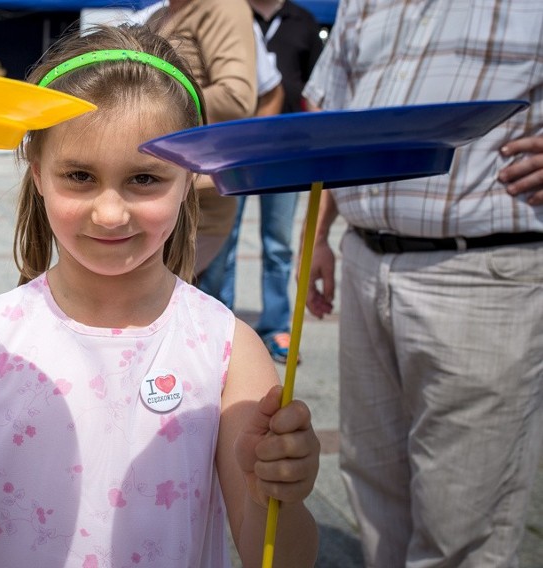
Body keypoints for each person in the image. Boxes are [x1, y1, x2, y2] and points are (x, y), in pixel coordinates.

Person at [0, 23, 320, 567]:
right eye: (79, 175)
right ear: (38, 173)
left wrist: (279, 496)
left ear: (187, 178)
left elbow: (275, 554)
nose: (109, 213)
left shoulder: (230, 353)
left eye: (145, 179)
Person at [302, 0, 543, 566]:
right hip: (365, 257)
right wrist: (318, 236)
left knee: (463, 515)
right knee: (371, 477)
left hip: (481, 273)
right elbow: (334, 117)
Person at [199, 0, 323, 365]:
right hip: (233, 153)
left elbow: (313, 91)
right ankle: (219, 325)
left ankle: (275, 328)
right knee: (224, 242)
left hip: (286, 154)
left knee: (278, 245)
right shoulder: (229, 14)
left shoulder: (303, 20)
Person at [145, 0, 259, 277]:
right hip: (157, 186)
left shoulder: (222, 7)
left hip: (199, 197)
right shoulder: (160, 16)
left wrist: (151, 107)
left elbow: (237, 97)